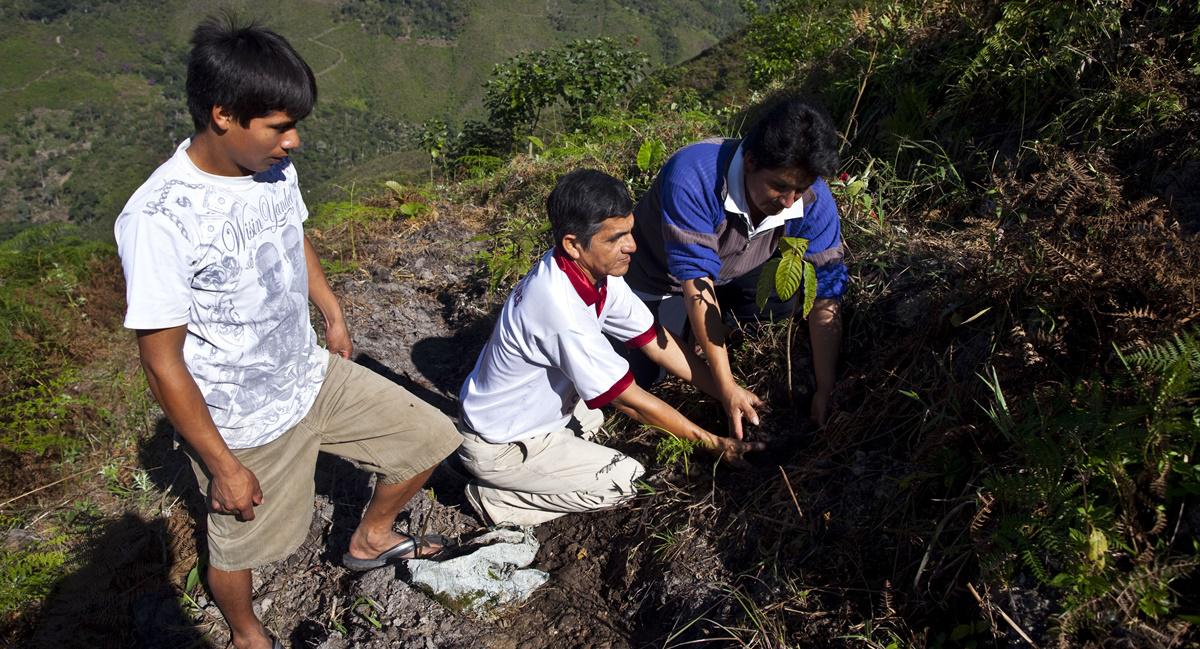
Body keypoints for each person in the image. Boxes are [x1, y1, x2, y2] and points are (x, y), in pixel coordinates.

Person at [114, 18, 461, 649]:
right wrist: (221, 465)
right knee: (240, 547)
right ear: (223, 115)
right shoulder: (160, 217)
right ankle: (249, 636)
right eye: (278, 126)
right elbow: (162, 362)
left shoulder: (271, 171)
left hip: (309, 373)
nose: (293, 141)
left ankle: (370, 537)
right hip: (245, 423)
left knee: (431, 436)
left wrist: (329, 307)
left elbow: (291, 233)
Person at [456, 169, 765, 527]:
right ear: (573, 244)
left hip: (518, 417)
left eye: (630, 232)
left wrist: (728, 391)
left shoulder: (592, 272)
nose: (632, 245)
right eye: (616, 238)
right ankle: (496, 500)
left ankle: (531, 466)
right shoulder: (558, 308)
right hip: (503, 445)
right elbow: (630, 401)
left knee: (595, 413)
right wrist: (713, 443)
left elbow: (657, 343)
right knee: (624, 479)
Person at [624, 97, 847, 434]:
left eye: (799, 189)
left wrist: (825, 387)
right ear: (750, 160)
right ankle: (691, 332)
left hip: (736, 270)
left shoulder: (813, 200)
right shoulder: (694, 176)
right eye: (780, 186)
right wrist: (725, 387)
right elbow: (697, 284)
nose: (788, 201)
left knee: (779, 299)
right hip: (660, 280)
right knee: (646, 373)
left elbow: (826, 291)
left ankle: (717, 328)